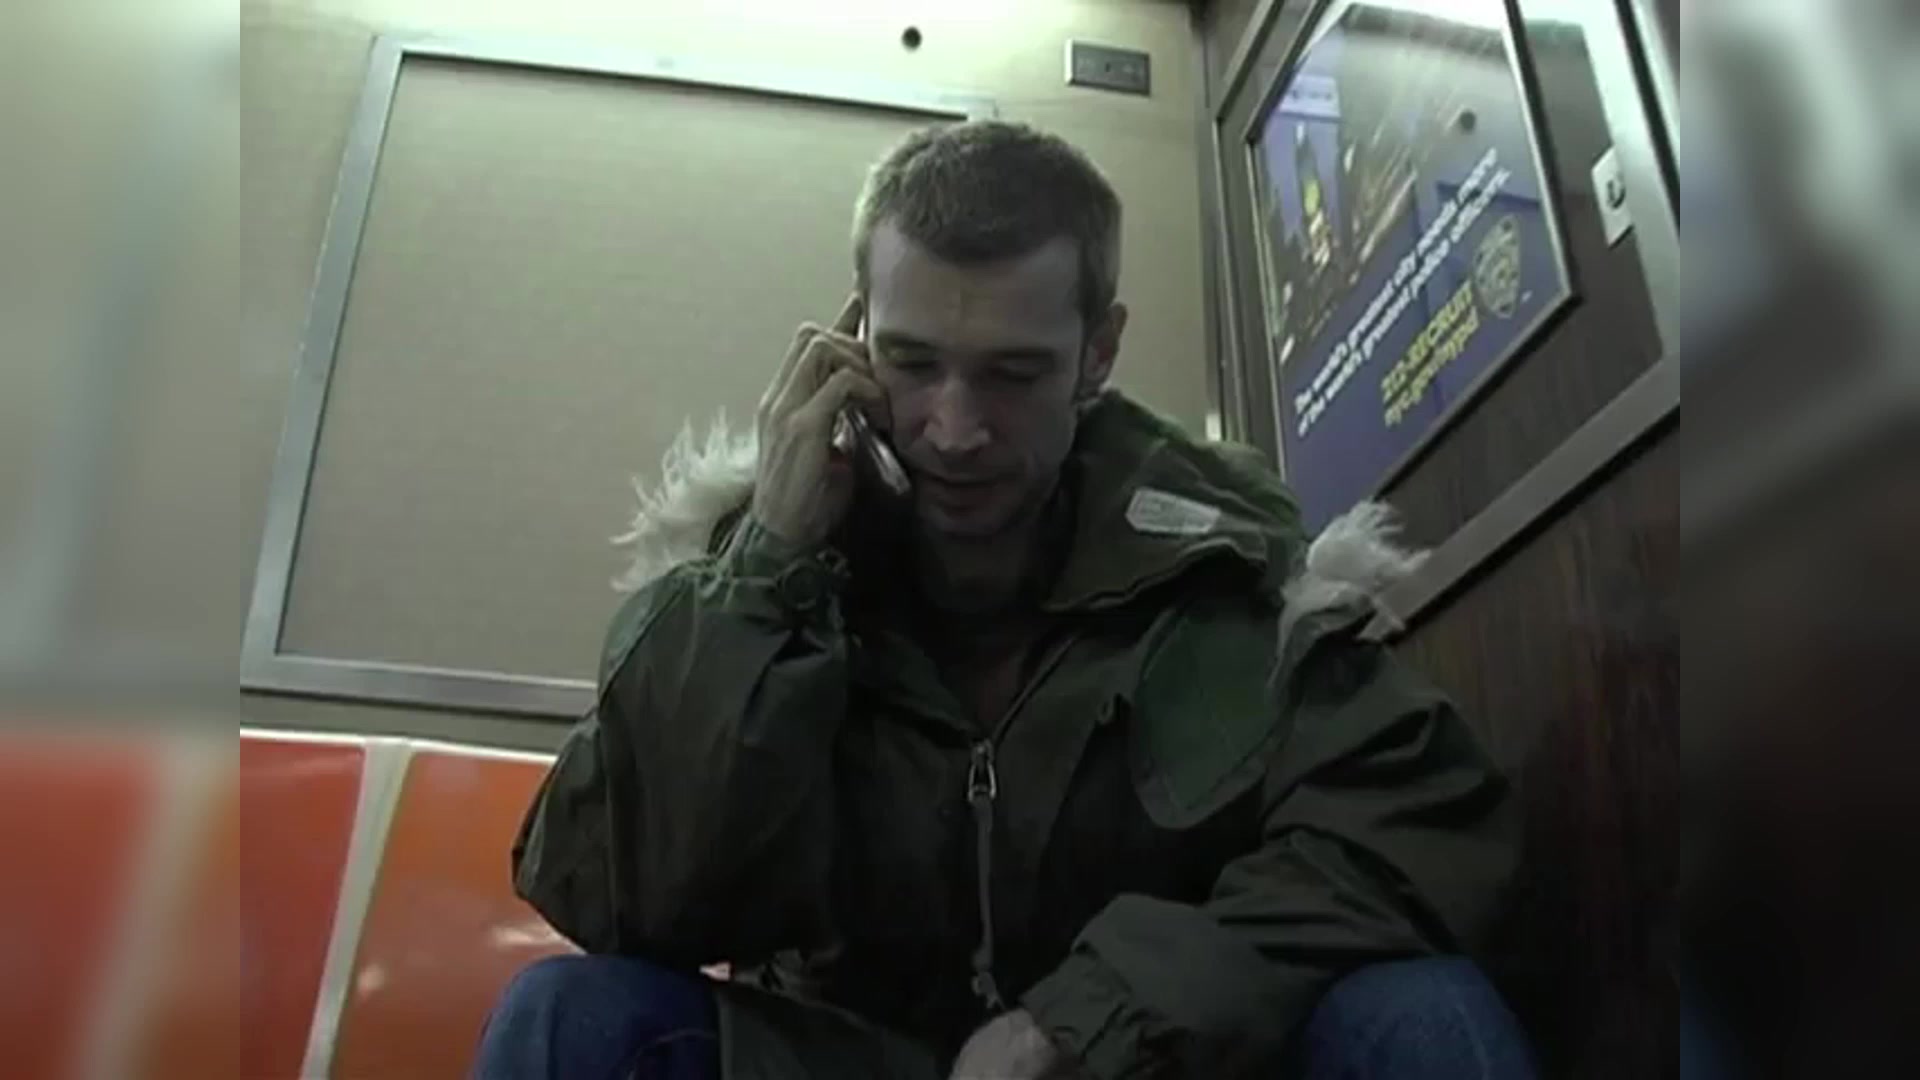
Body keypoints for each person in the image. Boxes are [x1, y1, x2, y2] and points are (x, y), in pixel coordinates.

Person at [477, 120, 1531, 1080]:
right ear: (854, 338)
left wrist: (1084, 1020)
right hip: (852, 1056)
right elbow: (613, 899)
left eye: (1014, 374)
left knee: (1421, 1013)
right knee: (571, 1017)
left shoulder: (1228, 573)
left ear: (1098, 353)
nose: (955, 429)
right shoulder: (759, 579)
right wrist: (769, 564)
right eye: (912, 362)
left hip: (1134, 1060)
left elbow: (1411, 829)